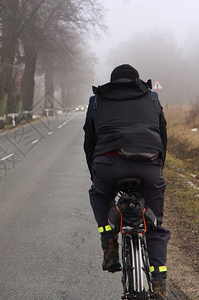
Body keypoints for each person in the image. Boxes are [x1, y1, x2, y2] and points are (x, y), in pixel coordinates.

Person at [83, 64, 171, 299]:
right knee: (155, 225)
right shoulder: (152, 97)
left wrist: (97, 175)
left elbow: (89, 143)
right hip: (148, 164)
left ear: (112, 82)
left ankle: (109, 242)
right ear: (137, 80)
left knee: (99, 195)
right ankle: (159, 284)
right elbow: (162, 137)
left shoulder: (97, 101)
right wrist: (157, 169)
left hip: (108, 164)